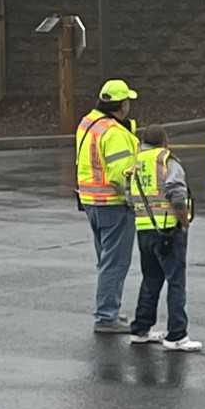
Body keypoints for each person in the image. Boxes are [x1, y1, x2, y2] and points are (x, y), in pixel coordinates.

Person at [126, 126, 202, 352]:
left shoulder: (136, 164)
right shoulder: (166, 161)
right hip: (168, 229)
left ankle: (141, 329)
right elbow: (176, 191)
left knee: (150, 279)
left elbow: (129, 197)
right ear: (164, 140)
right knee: (176, 281)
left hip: (144, 229)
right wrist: (183, 219)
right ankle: (177, 335)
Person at [76, 80, 141, 334]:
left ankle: (109, 308)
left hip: (91, 201)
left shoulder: (88, 122)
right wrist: (132, 198)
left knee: (105, 259)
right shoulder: (114, 133)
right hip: (112, 204)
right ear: (121, 105)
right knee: (115, 261)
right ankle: (106, 317)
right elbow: (119, 174)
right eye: (127, 102)